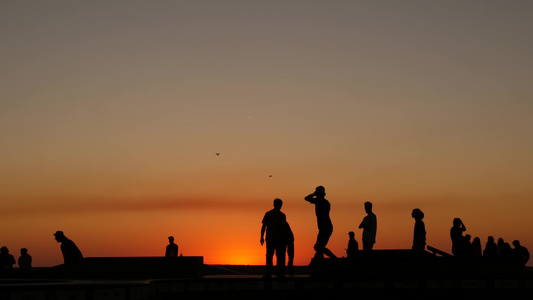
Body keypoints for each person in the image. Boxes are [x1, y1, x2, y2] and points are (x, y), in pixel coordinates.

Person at [305, 186, 337, 259]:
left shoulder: (321, 202)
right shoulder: (322, 202)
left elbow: (307, 198)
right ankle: (325, 260)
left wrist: (314, 194)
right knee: (319, 247)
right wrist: (315, 194)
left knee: (319, 247)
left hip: (325, 228)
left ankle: (334, 259)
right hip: (324, 228)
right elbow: (306, 198)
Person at [260, 198, 287, 278]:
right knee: (280, 256)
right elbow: (284, 229)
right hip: (279, 239)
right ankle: (280, 272)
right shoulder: (282, 215)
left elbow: (263, 226)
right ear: (281, 205)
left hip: (270, 238)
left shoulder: (268, 214)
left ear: (273, 204)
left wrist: (261, 237)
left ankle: (269, 273)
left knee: (269, 256)